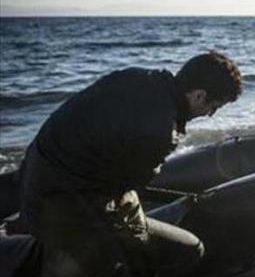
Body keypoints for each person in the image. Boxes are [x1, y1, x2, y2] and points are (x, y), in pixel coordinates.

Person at [18, 51, 243, 276]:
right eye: (214, 107)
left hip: (34, 184)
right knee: (190, 250)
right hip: (65, 212)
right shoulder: (160, 133)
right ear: (199, 96)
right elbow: (129, 184)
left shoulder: (136, 77)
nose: (210, 114)